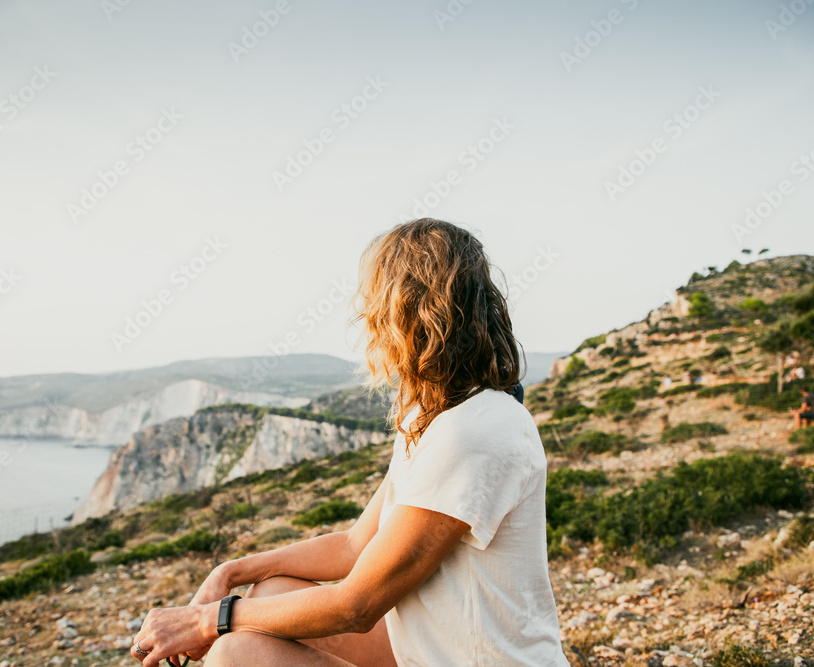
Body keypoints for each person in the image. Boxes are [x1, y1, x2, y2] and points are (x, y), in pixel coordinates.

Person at [128, 219, 569, 666]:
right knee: (273, 591)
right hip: (429, 651)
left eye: (375, 301)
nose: (366, 317)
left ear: (407, 311)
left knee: (237, 652)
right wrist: (231, 573)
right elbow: (356, 546)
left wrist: (209, 621)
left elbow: (356, 606)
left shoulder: (473, 432)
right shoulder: (437, 416)